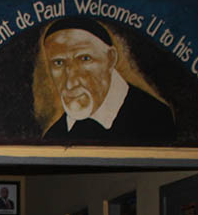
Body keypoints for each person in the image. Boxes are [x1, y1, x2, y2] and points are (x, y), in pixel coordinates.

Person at [39, 18, 175, 144]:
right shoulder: (54, 135)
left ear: (110, 59)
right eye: (58, 63)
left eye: (84, 59)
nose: (71, 83)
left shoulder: (155, 118)